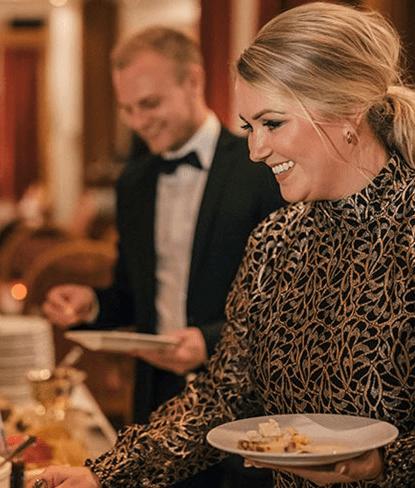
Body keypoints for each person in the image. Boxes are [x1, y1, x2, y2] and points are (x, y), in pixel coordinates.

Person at [29, 3, 415, 487]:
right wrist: (106, 473)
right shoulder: (276, 242)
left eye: (272, 123)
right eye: (249, 128)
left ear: (348, 112)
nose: (255, 150)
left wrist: (390, 462)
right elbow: (223, 395)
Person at [42, 25, 285, 487]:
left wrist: (210, 340)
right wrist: (91, 304)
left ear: (193, 81)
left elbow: (285, 301)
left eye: (149, 104)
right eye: (128, 109)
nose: (138, 121)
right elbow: (131, 295)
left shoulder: (260, 167)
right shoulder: (134, 182)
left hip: (246, 406)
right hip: (157, 402)